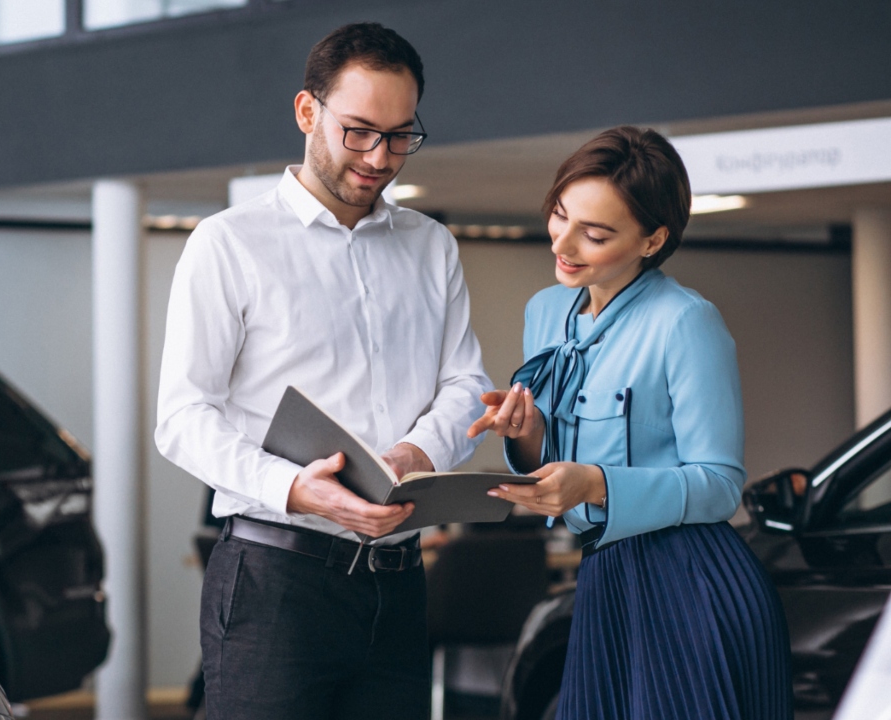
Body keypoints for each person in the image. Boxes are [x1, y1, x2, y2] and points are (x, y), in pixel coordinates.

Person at [155, 22, 491, 720]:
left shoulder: (432, 246)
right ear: (308, 112)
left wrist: (416, 451)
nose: (380, 156)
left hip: (398, 585)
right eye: (359, 130)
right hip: (274, 582)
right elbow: (183, 419)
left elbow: (465, 383)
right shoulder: (228, 244)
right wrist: (297, 490)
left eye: (401, 135)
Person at [470, 126, 792, 719]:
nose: (563, 244)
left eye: (594, 234)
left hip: (690, 578)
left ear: (653, 239)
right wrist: (527, 435)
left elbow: (720, 485)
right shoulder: (545, 312)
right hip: (605, 574)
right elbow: (557, 457)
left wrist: (595, 483)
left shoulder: (685, 322)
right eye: (559, 216)